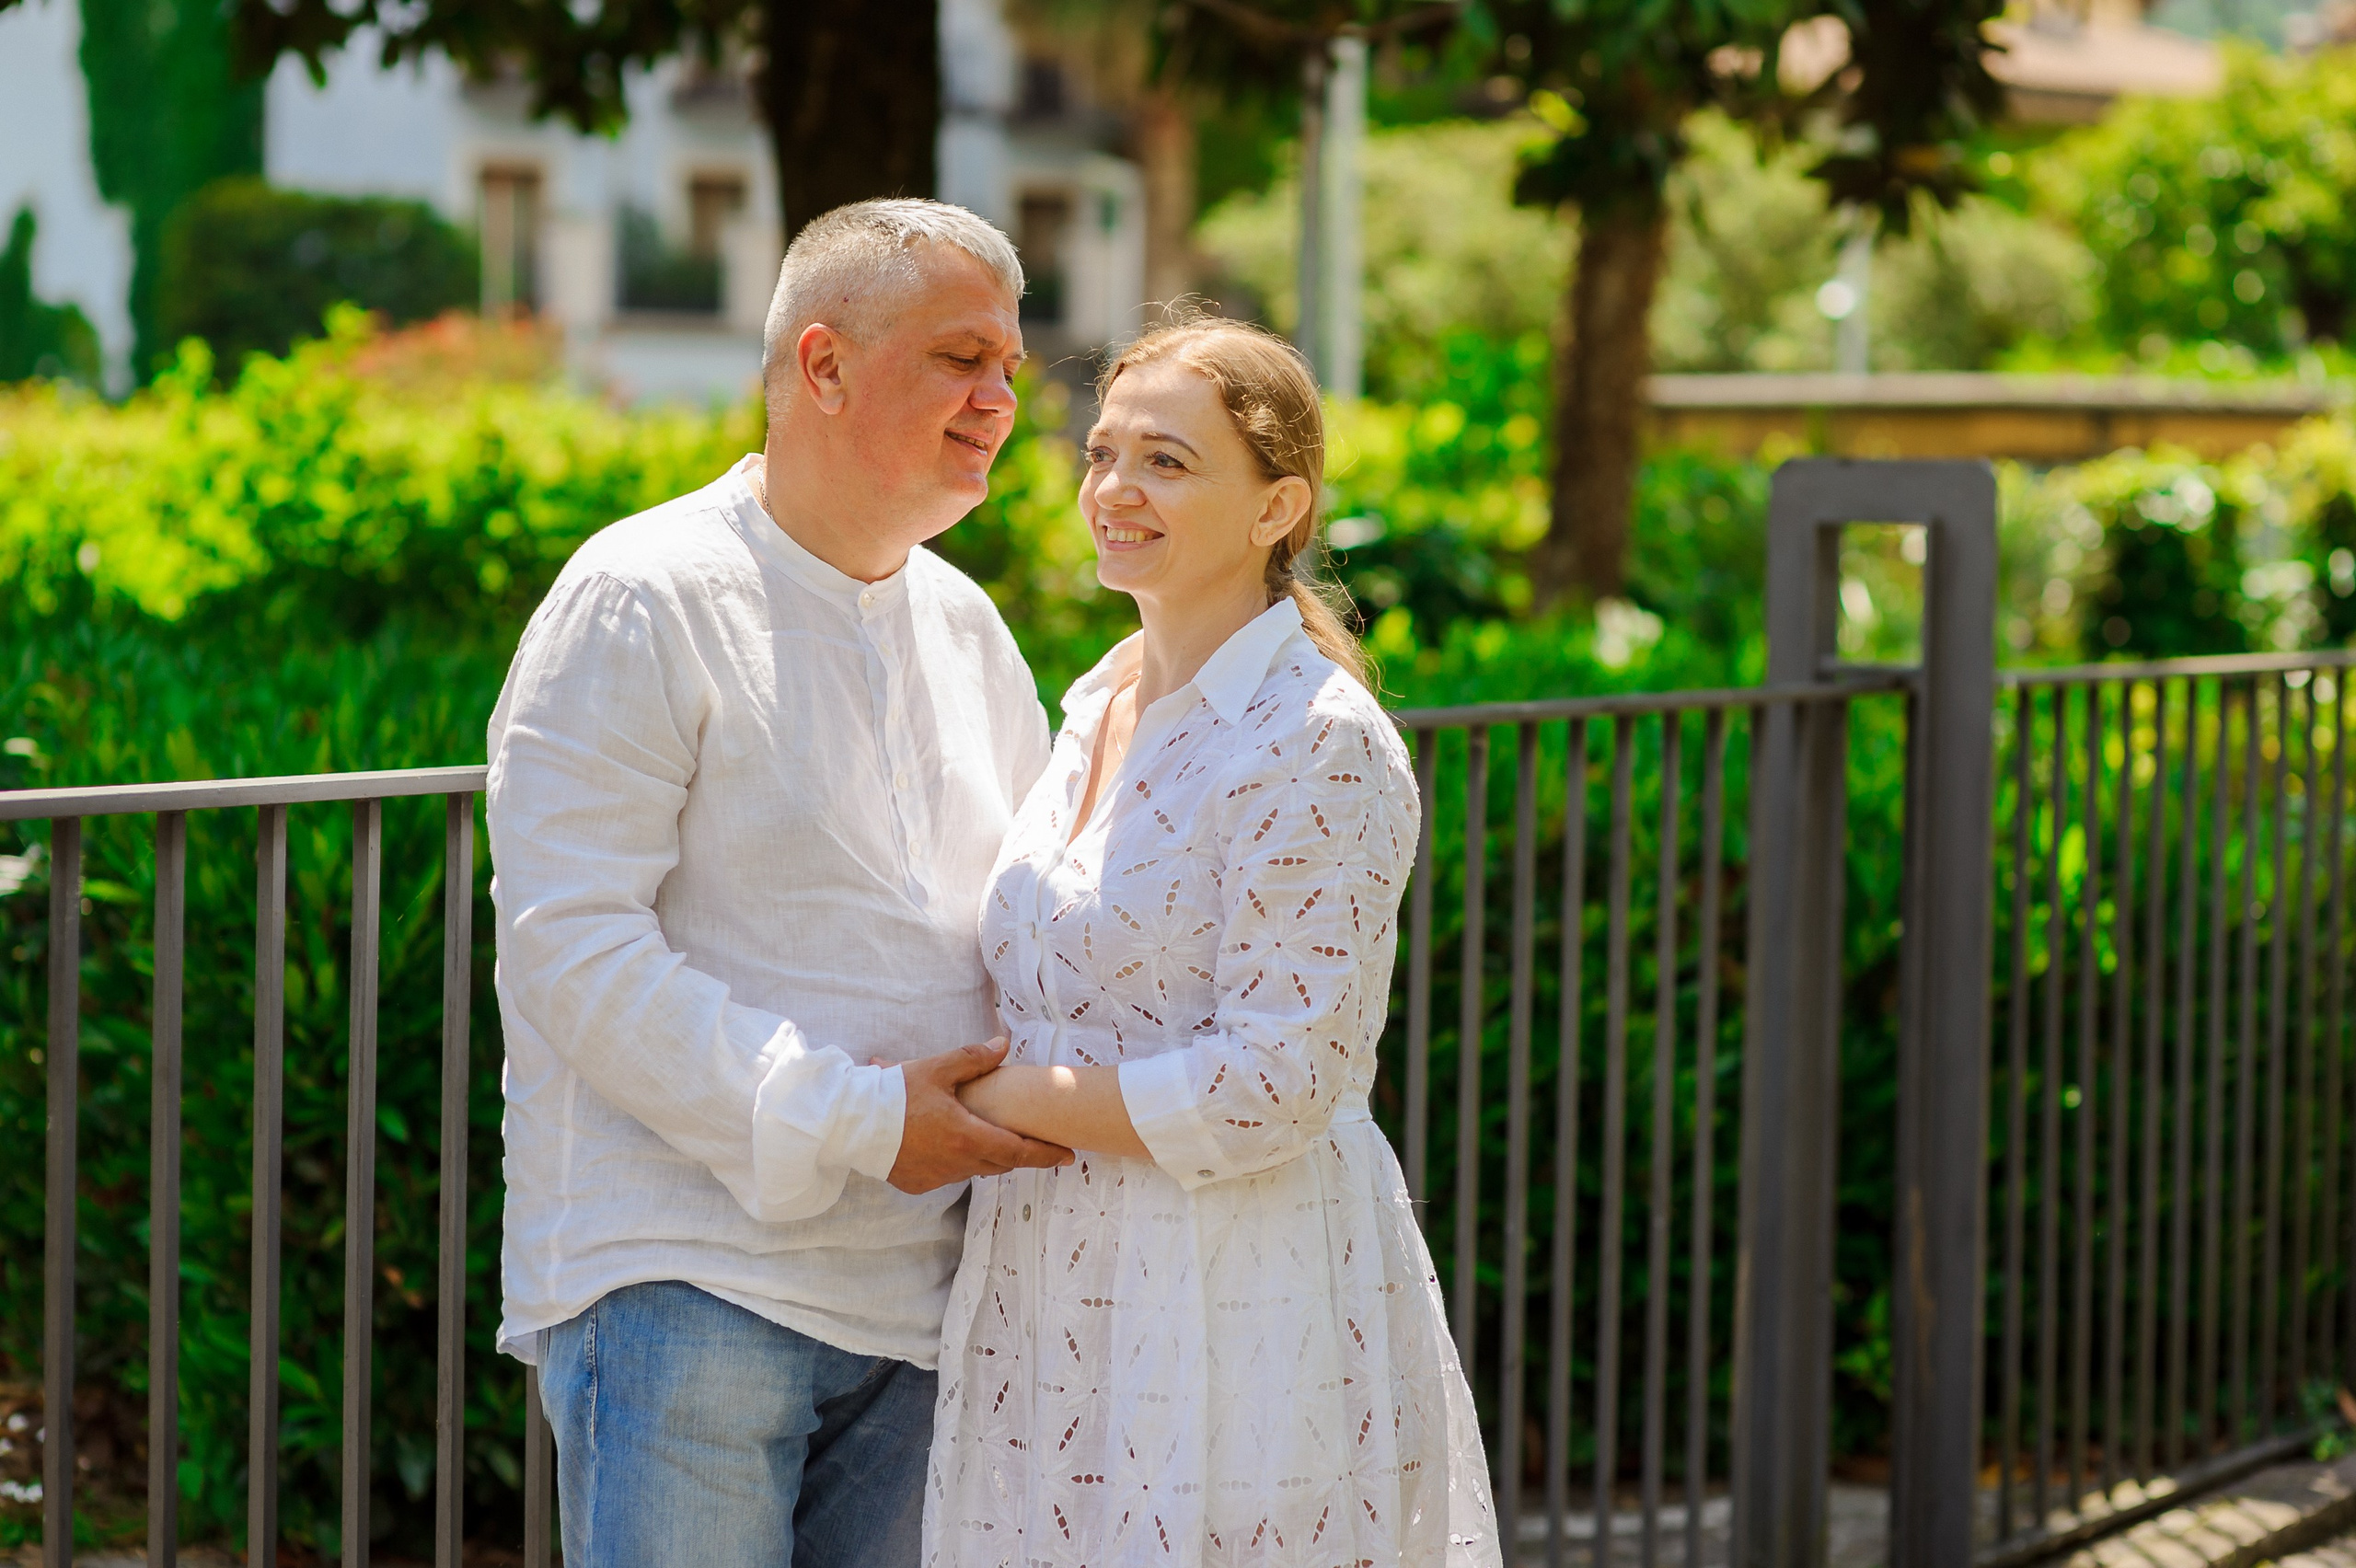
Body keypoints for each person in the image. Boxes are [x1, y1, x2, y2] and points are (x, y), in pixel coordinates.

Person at [482, 199, 1073, 1568]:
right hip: (690, 1288)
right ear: (822, 366)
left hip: (928, 1307)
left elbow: (1035, 932)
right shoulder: (642, 593)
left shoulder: (970, 628)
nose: (1001, 400)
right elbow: (572, 949)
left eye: (1009, 371)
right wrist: (863, 1119)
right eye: (960, 359)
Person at [924, 318, 1502, 1567]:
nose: (1115, 490)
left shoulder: (1317, 741)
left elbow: (1271, 1089)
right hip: (1049, 1283)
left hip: (1230, 1288)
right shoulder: (1092, 703)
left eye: (1169, 462)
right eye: (1102, 452)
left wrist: (985, 1099)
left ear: (1275, 507)